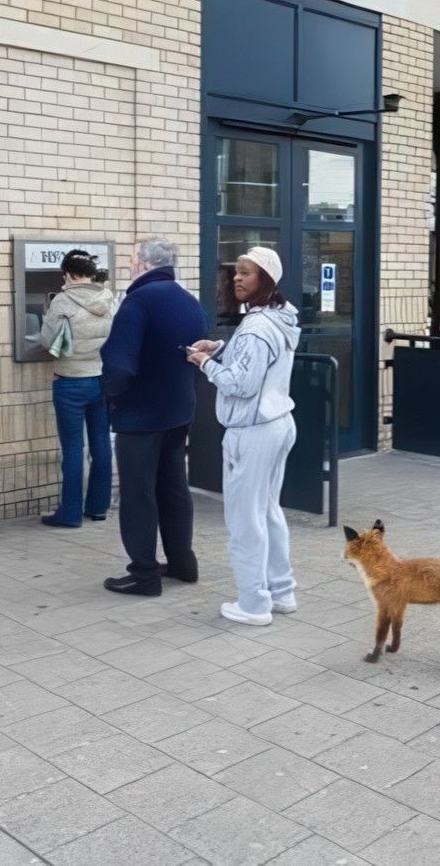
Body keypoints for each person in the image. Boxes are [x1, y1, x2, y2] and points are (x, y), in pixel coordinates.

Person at [186, 246, 300, 626]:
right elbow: (257, 358)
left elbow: (241, 383)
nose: (236, 278)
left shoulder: (255, 326)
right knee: (268, 510)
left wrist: (205, 364)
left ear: (264, 279)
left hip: (252, 428)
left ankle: (253, 603)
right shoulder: (278, 317)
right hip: (278, 421)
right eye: (235, 272)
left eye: (246, 273)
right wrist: (220, 348)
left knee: (243, 517)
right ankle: (281, 592)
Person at [99, 239, 207, 596]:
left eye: (131, 260)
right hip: (179, 411)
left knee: (138, 494)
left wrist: (111, 398)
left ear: (144, 264)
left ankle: (144, 575)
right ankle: (181, 563)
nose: (130, 267)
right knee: (174, 487)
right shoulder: (189, 301)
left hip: (140, 417)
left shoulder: (138, 301)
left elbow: (118, 365)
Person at [37, 249, 115, 528]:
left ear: (68, 274)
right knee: (101, 445)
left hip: (70, 381)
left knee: (73, 448)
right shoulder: (108, 297)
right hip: (99, 378)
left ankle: (69, 514)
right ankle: (98, 507)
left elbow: (47, 341)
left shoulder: (63, 300)